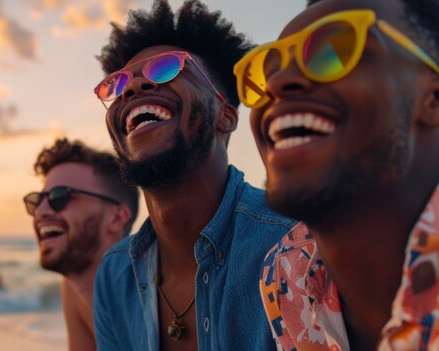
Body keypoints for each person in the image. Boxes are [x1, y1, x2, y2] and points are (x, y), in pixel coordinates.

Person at [232, 0, 439, 349]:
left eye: (336, 52)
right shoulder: (286, 271)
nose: (278, 82)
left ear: (432, 99)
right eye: (266, 71)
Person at [91, 1, 297, 350]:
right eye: (118, 83)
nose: (132, 88)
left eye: (166, 68)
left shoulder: (291, 247)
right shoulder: (114, 276)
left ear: (226, 116)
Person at [24, 138, 139, 351]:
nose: (41, 212)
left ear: (116, 218)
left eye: (60, 196)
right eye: (37, 200)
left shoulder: (150, 295)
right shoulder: (72, 288)